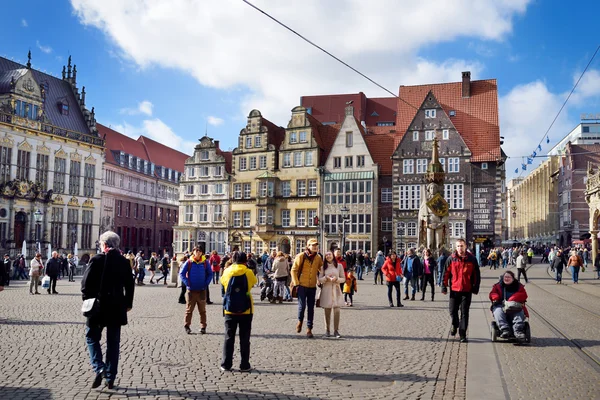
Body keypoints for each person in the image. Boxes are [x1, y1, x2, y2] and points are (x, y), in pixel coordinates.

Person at [82, 231, 135, 389]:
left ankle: (99, 367)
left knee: (92, 337)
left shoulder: (96, 259)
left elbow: (85, 284)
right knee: (113, 343)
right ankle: (110, 377)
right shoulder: (124, 262)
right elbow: (129, 285)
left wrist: (87, 300)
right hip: (117, 307)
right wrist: (128, 303)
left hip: (97, 307)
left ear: (104, 244)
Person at [220, 251, 257, 372]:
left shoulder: (227, 271)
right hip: (246, 309)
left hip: (230, 309)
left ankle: (226, 364)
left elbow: (223, 283)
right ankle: (244, 364)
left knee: (229, 337)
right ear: (245, 260)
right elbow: (253, 284)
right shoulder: (248, 272)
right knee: (245, 338)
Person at [442, 239, 481, 343]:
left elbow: (476, 274)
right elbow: (446, 273)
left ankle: (462, 334)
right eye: (458, 246)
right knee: (452, 310)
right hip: (454, 289)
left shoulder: (472, 259)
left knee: (464, 313)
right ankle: (455, 324)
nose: (460, 248)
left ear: (465, 246)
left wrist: (475, 287)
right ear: (456, 247)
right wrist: (444, 286)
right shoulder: (451, 259)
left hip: (466, 289)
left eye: (462, 246)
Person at [291, 238, 323, 338]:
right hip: (301, 285)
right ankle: (300, 321)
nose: (315, 247)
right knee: (302, 306)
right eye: (313, 245)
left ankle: (309, 328)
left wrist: (321, 279)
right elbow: (293, 270)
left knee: (311, 308)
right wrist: (296, 283)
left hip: (312, 286)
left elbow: (321, 269)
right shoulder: (301, 256)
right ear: (308, 246)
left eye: (316, 246)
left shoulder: (318, 258)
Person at [180, 247, 212, 334]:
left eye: (200, 251)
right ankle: (187, 326)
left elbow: (210, 274)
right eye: (196, 251)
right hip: (191, 290)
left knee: (202, 310)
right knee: (189, 310)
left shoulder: (205, 262)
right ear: (193, 252)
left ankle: (203, 326)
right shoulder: (189, 262)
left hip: (201, 290)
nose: (198, 252)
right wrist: (187, 283)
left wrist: (206, 283)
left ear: (202, 253)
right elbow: (182, 273)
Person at [489, 271, 528, 341]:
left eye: (508, 277)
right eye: (505, 277)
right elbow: (492, 293)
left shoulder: (519, 286)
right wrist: (495, 297)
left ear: (513, 278)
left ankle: (518, 331)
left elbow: (524, 295)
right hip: (500, 305)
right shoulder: (497, 286)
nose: (506, 279)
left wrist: (513, 298)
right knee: (498, 311)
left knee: (518, 313)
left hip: (515, 305)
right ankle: (505, 329)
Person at [318, 251, 345, 338]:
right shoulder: (323, 267)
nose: (328, 256)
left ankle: (336, 330)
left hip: (336, 289)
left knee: (337, 310)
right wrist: (326, 278)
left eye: (329, 254)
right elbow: (320, 280)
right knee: (327, 311)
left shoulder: (339, 266)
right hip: (327, 290)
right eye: (326, 255)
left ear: (333, 255)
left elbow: (343, 279)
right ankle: (327, 330)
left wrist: (337, 279)